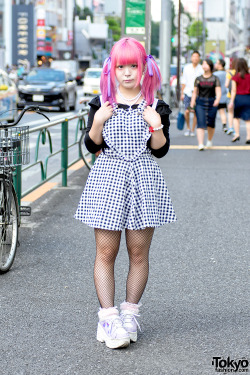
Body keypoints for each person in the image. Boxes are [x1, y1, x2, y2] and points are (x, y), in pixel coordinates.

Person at [74, 37, 177, 349]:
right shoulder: (100, 104)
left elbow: (160, 151)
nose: (128, 72)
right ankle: (107, 318)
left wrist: (156, 126)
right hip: (108, 180)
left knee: (138, 253)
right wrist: (98, 123)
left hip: (144, 179)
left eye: (134, 65)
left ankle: (129, 314)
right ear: (112, 69)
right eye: (122, 66)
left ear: (144, 68)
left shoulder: (156, 106)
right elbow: (91, 146)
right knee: (106, 252)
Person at [190, 59, 221, 150]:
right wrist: (192, 103)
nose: (204, 66)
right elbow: (195, 92)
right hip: (200, 102)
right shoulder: (198, 79)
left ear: (210, 66)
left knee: (211, 123)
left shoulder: (215, 78)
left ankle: (209, 140)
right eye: (203, 64)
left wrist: (217, 100)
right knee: (200, 122)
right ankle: (200, 144)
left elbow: (218, 91)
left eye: (206, 64)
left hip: (212, 102)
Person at [181, 51, 204, 136]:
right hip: (187, 92)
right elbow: (184, 81)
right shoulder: (186, 67)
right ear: (191, 58)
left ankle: (193, 129)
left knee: (195, 112)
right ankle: (188, 127)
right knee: (187, 111)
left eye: (197, 57)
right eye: (194, 56)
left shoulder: (201, 68)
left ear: (199, 58)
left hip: (198, 94)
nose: (195, 58)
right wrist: (182, 93)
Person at [228, 58, 250, 143]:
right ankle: (248, 137)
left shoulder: (235, 77)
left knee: (236, 118)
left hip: (238, 98)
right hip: (248, 98)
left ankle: (237, 134)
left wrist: (231, 101)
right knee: (248, 119)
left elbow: (233, 90)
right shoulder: (249, 76)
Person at [214, 59, 228, 132]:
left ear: (220, 65)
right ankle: (224, 125)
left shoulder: (215, 74)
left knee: (212, 112)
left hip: (215, 96)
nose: (215, 64)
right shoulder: (226, 74)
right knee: (222, 112)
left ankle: (209, 126)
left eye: (216, 63)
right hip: (224, 96)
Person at [225, 58, 237, 135]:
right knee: (237, 114)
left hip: (230, 95)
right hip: (240, 95)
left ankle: (230, 127)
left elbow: (226, 85)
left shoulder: (230, 73)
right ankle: (236, 130)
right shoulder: (242, 73)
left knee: (230, 112)